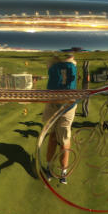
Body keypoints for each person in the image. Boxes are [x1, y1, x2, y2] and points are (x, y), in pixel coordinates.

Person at [42, 54, 77, 184]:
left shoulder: (70, 62)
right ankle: (49, 167)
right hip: (52, 102)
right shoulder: (52, 60)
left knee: (63, 139)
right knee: (52, 136)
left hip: (68, 105)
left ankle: (63, 171)